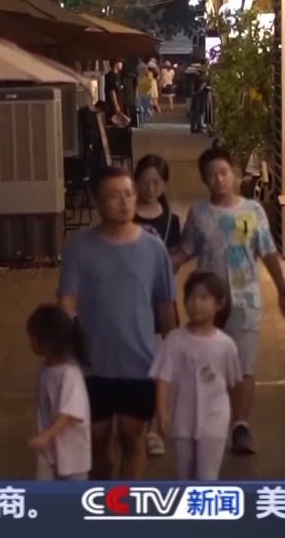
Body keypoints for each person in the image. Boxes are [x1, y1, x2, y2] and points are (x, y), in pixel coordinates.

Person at [58, 166, 177, 478]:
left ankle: (126, 503)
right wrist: (62, 353)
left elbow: (165, 306)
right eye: (114, 196)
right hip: (91, 364)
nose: (124, 202)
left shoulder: (153, 248)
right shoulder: (79, 246)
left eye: (128, 194)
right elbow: (66, 302)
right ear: (97, 202)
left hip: (140, 363)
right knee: (97, 439)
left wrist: (173, 355)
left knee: (132, 436)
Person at [173, 147, 285, 454]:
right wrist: (160, 270)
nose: (219, 179)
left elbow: (267, 252)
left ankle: (240, 425)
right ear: (204, 179)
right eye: (212, 175)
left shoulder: (252, 211)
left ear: (234, 174)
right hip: (207, 304)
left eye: (224, 172)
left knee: (244, 365)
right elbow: (186, 251)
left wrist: (283, 290)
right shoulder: (199, 214)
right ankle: (209, 420)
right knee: (208, 363)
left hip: (245, 299)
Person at [150, 271, 242, 480]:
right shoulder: (174, 340)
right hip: (182, 420)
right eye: (190, 298)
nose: (195, 304)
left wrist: (235, 420)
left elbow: (233, 385)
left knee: (207, 477)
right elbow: (163, 379)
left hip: (215, 421)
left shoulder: (226, 345)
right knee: (185, 475)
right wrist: (162, 413)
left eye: (203, 298)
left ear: (219, 304)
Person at [133, 153, 182, 457]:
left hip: (160, 302)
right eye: (145, 182)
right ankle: (135, 424)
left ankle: (155, 428)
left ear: (164, 185)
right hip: (129, 303)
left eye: (156, 183)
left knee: (160, 366)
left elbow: (174, 258)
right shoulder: (125, 214)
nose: (150, 188)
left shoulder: (171, 221)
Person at [26, 304, 91, 480]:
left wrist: (45, 436)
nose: (30, 342)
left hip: (72, 455)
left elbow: (68, 414)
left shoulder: (70, 374)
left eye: (33, 338)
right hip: (49, 451)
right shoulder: (45, 369)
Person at [104, 60, 127, 124]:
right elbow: (112, 91)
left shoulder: (117, 76)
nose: (121, 64)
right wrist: (116, 105)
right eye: (120, 62)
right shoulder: (111, 76)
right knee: (115, 122)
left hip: (119, 102)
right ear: (115, 64)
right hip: (112, 104)